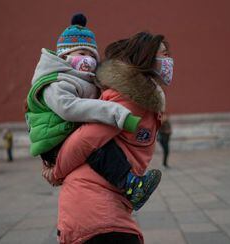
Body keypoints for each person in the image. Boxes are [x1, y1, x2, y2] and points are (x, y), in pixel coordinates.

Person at [43, 31, 173, 243]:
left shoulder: (143, 99)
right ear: (147, 58)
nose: (168, 61)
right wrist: (56, 173)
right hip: (92, 208)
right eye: (164, 55)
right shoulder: (128, 100)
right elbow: (84, 139)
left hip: (102, 206)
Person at [26, 14, 160, 208]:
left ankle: (129, 184)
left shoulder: (83, 79)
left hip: (64, 133)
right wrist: (116, 112)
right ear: (64, 56)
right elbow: (68, 108)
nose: (87, 59)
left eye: (91, 55)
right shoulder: (54, 82)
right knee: (99, 149)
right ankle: (130, 184)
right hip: (53, 141)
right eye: (81, 53)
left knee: (100, 144)